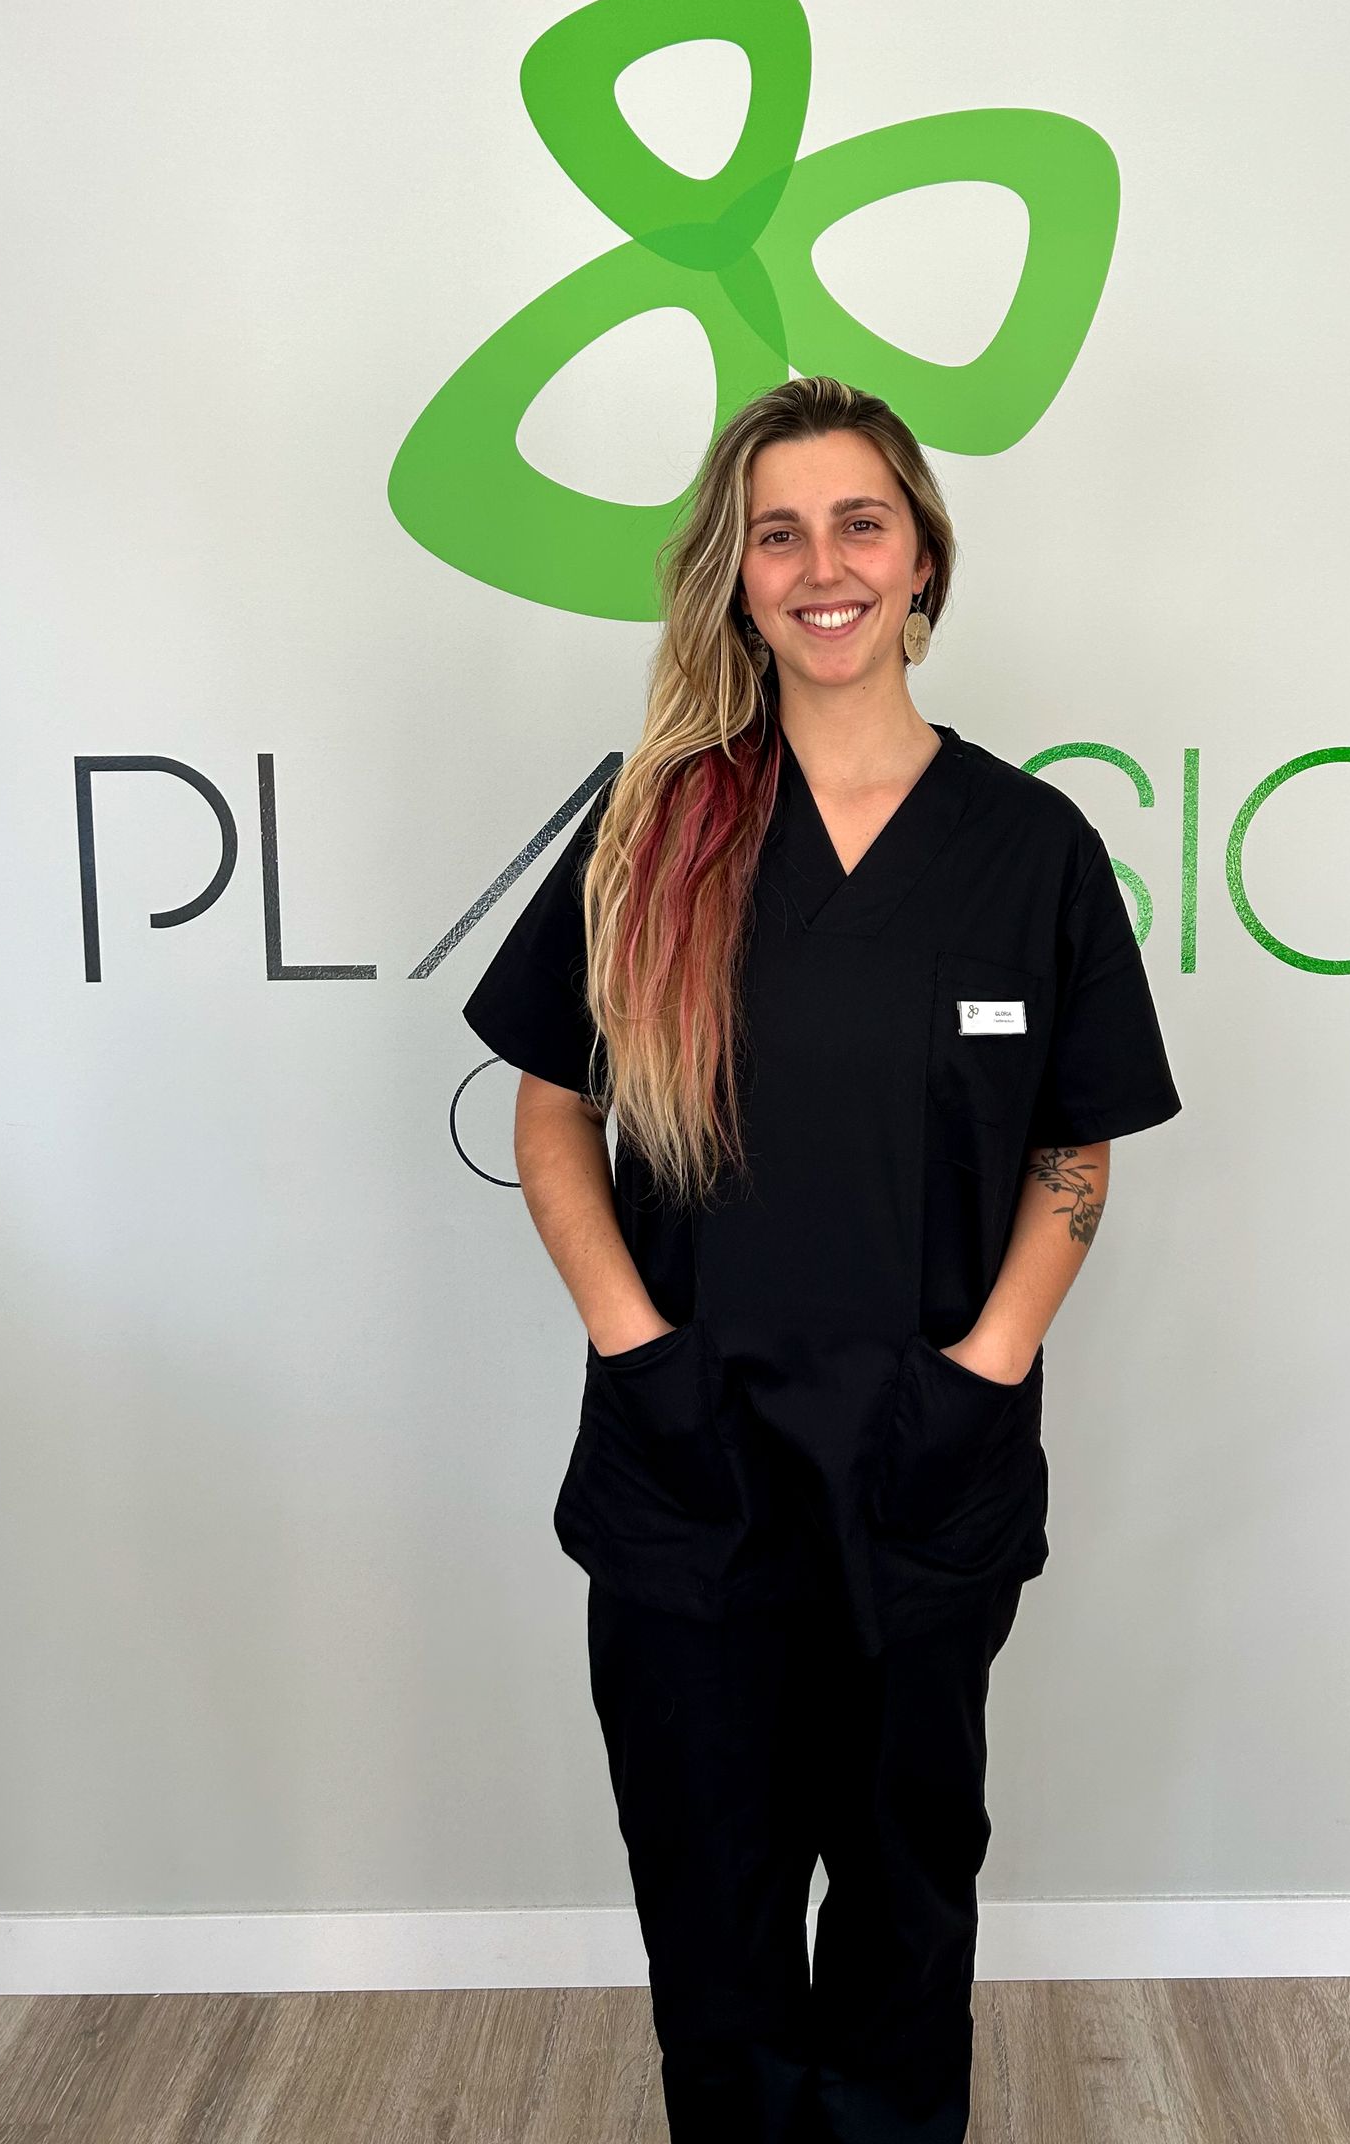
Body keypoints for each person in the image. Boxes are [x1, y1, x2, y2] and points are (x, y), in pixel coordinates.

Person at [462, 374, 1182, 2142]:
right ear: (736, 577)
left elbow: (1071, 1149)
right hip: (692, 1458)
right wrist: (640, 1351)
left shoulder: (1029, 851)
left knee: (904, 1901)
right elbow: (551, 1109)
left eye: (859, 522)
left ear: (921, 558)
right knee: (710, 1910)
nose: (822, 563)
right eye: (777, 532)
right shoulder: (659, 828)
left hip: (923, 1462)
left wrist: (987, 1369)